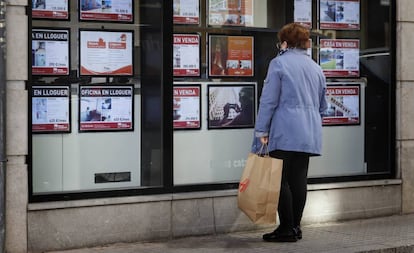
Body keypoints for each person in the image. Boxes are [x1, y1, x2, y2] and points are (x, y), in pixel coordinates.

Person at [252, 23, 328, 242]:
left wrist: (261, 130)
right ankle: (295, 227)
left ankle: (285, 228)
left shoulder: (279, 64)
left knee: (278, 180)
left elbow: (268, 101)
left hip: (285, 130)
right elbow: (323, 106)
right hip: (309, 132)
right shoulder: (316, 68)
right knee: (298, 179)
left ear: (285, 42)